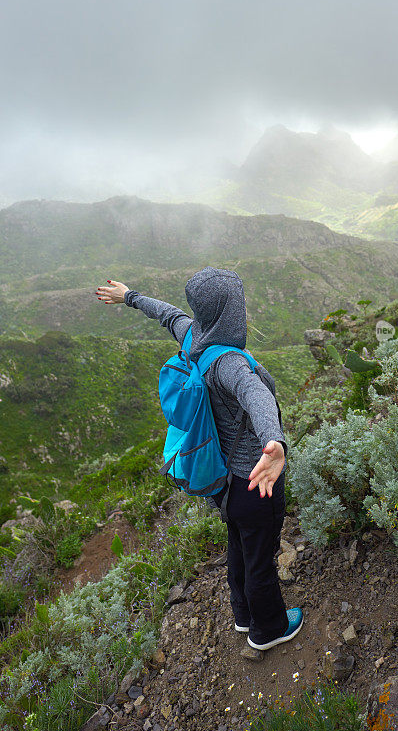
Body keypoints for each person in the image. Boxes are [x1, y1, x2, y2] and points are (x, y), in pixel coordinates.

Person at [95, 266, 303, 651]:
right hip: (255, 480)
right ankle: (269, 630)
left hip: (222, 483)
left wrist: (130, 297)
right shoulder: (230, 363)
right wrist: (274, 442)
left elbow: (168, 314)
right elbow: (255, 394)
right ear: (231, 312)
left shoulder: (193, 335)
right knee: (260, 560)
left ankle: (243, 616)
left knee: (238, 546)